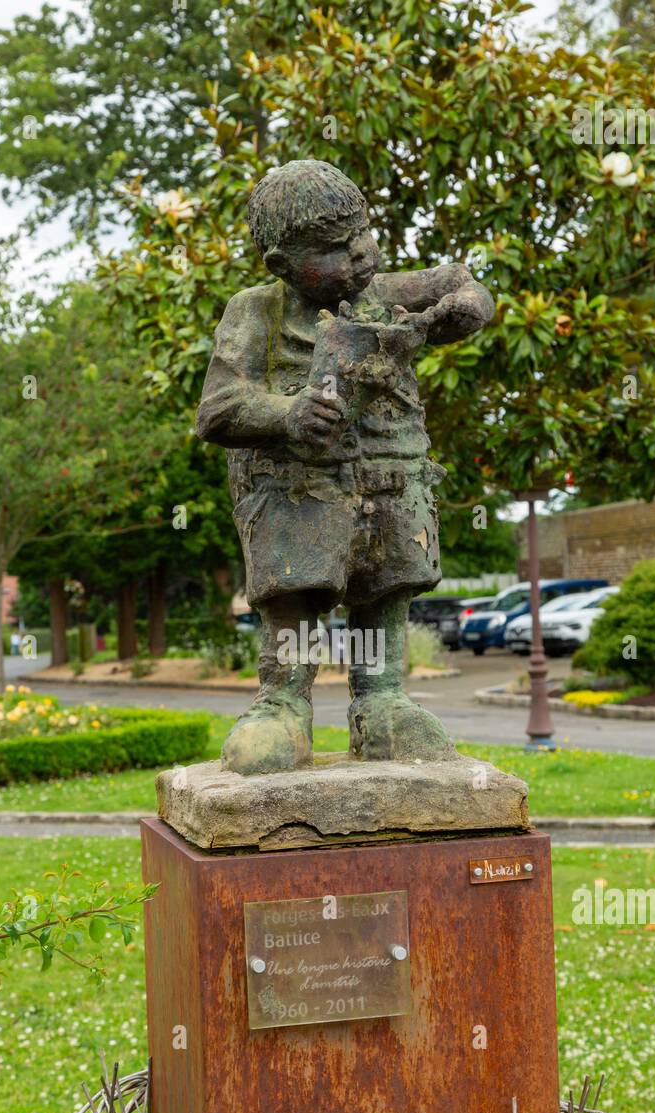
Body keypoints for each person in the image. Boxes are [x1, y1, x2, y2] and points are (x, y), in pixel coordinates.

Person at [196, 159, 493, 774]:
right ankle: (284, 703)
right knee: (297, 589)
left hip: (390, 477)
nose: (359, 256)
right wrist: (285, 414)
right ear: (281, 264)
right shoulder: (256, 311)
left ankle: (381, 700)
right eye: (334, 249)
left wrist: (467, 306)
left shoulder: (383, 293)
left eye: (362, 234)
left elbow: (460, 281)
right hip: (299, 488)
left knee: (387, 585)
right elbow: (218, 410)